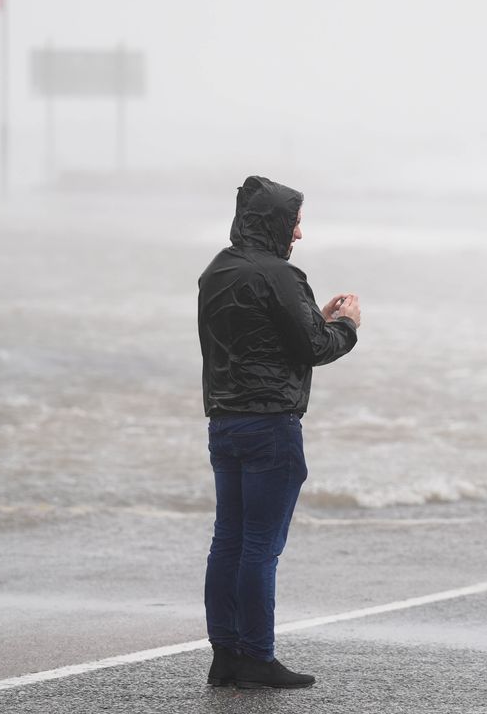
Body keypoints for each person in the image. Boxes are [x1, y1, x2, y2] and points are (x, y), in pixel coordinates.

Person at [197, 175, 361, 689]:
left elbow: (262, 336)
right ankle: (259, 658)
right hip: (271, 426)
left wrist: (317, 316)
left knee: (228, 542)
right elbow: (314, 348)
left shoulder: (216, 272)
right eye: (294, 223)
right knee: (260, 547)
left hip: (224, 422)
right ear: (274, 224)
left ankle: (225, 656)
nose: (299, 234)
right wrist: (348, 326)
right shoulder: (281, 276)